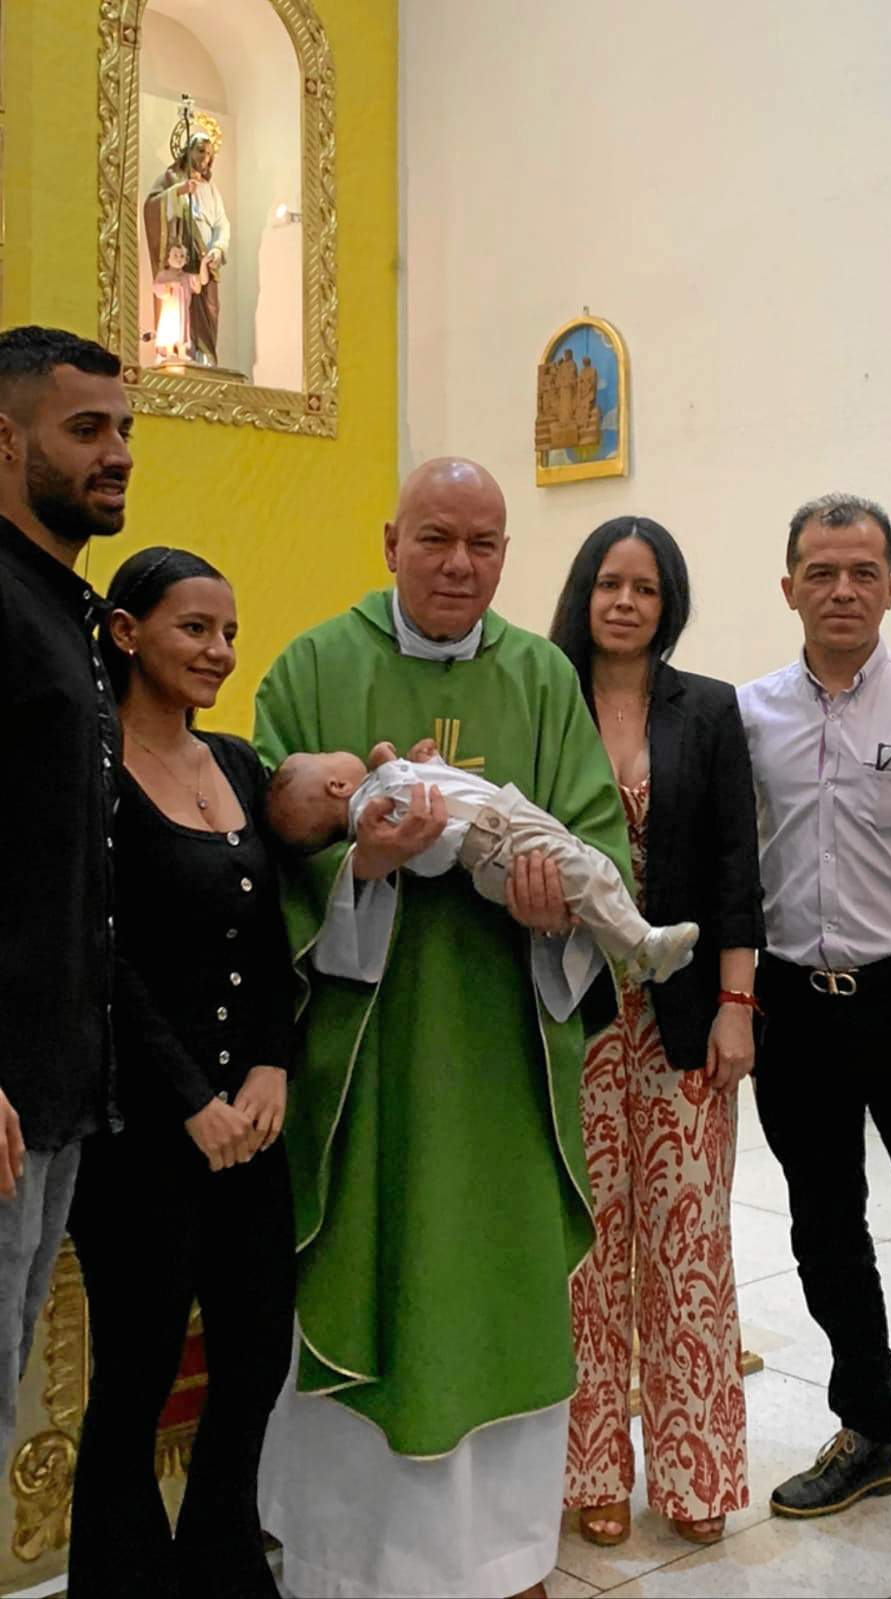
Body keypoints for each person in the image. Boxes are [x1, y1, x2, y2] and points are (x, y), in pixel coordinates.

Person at [254, 456, 632, 1599]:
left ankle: (504, 1558)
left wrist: (558, 907)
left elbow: (598, 846)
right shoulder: (310, 667)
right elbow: (261, 860)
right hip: (364, 1067)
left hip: (502, 1056)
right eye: (434, 538)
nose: (458, 565)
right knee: (367, 1276)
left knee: (496, 1294)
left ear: (505, 555)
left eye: (482, 543)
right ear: (389, 543)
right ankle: (345, 1563)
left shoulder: (543, 678)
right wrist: (361, 868)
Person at [65, 547, 297, 1599]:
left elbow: (272, 928)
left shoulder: (238, 763)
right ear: (125, 633)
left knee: (254, 1358)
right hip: (144, 1134)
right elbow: (99, 954)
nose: (219, 651)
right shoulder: (89, 769)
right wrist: (190, 1099)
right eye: (194, 628)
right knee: (139, 1373)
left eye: (229, 632)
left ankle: (220, 1563)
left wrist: (271, 1061)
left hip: (251, 1126)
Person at [550, 516, 764, 1548]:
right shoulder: (543, 697)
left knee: (687, 1244)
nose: (624, 602)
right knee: (588, 1251)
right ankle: (590, 1469)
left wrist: (735, 1003)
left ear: (667, 601)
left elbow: (735, 868)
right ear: (583, 594)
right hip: (575, 1016)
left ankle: (695, 1471)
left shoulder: (708, 710)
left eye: (643, 587)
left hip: (682, 1018)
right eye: (608, 583)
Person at [738, 492, 891, 1517]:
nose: (841, 589)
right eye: (820, 572)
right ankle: (872, 1424)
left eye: (861, 572)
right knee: (824, 1223)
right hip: (793, 1005)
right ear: (788, 586)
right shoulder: (745, 715)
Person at [0, 324, 132, 1470]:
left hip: (53, 1089)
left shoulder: (68, 614)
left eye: (123, 429)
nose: (118, 453)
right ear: (6, 441)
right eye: (85, 429)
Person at [268, 737, 698, 982]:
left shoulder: (543, 671)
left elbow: (443, 793)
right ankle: (641, 946)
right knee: (578, 871)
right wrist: (362, 863)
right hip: (493, 841)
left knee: (591, 864)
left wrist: (431, 764)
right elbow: (414, 805)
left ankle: (636, 943)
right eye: (322, 757)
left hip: (502, 822)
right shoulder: (373, 802)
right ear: (337, 786)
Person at [145, 129, 230, 365]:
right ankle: (182, 351)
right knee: (181, 305)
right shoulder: (171, 178)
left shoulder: (211, 189)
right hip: (183, 258)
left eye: (209, 154)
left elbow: (222, 223)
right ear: (187, 151)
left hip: (206, 259)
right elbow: (152, 206)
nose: (205, 158)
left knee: (210, 308)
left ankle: (206, 357)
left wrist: (218, 248)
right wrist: (179, 191)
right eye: (200, 151)